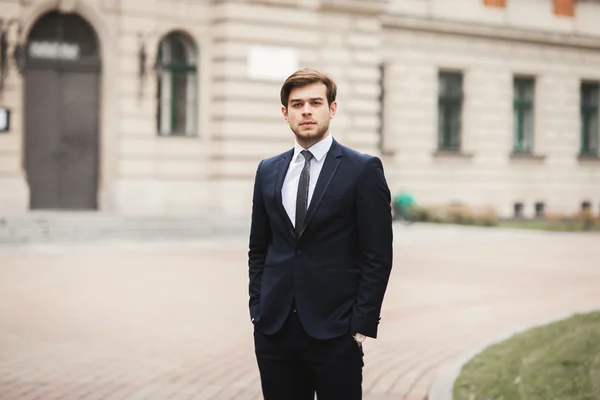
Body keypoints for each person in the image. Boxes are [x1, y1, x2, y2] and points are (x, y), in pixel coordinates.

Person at [248, 68, 393, 400]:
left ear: (332, 108)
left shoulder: (363, 169)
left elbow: (378, 255)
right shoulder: (268, 170)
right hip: (274, 329)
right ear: (285, 113)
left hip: (336, 331)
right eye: (297, 104)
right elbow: (259, 248)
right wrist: (257, 307)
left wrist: (360, 324)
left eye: (315, 102)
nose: (307, 111)